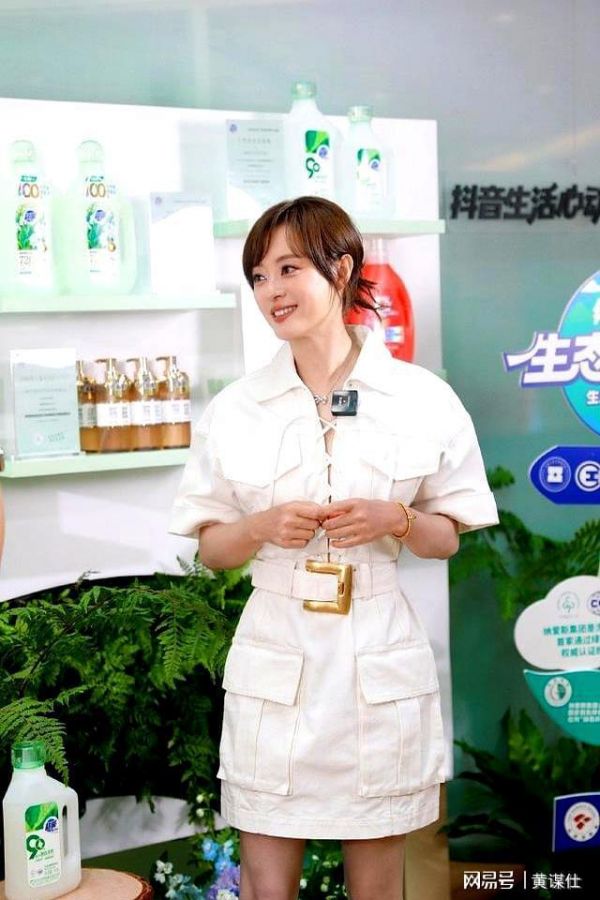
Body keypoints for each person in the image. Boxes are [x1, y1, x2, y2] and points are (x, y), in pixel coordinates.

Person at [169, 196, 498, 900]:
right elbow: (211, 549)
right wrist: (260, 527)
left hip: (375, 650)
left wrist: (395, 519)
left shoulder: (420, 398)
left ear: (341, 269)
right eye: (259, 276)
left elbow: (448, 537)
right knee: (267, 889)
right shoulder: (236, 410)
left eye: (289, 269)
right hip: (276, 654)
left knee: (377, 887)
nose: (271, 291)